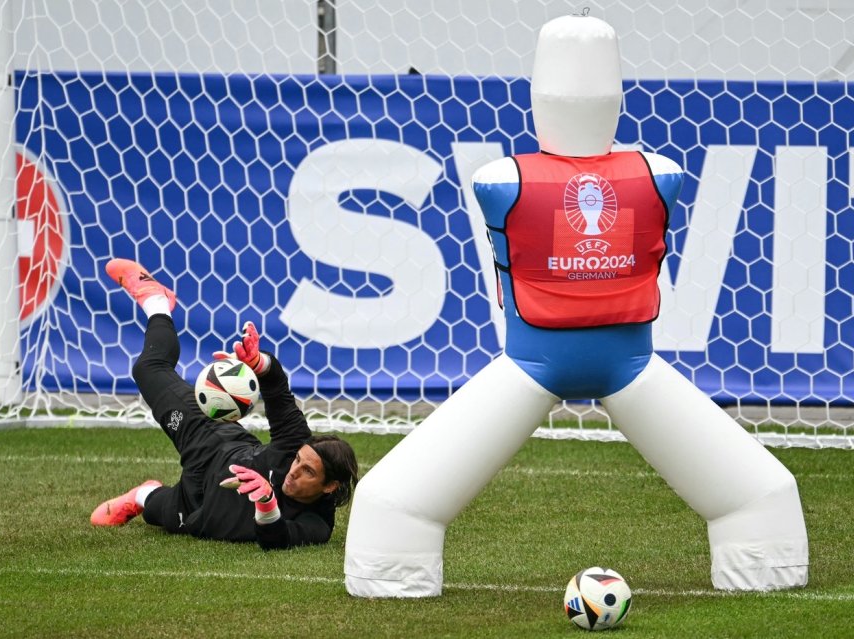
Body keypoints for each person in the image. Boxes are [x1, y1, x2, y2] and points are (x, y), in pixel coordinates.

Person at [344, 14, 808, 597]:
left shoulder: (500, 177)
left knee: (392, 505)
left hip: (544, 361)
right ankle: (765, 564)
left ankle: (390, 575)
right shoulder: (657, 173)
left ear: (538, 92)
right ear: (616, 93)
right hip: (620, 363)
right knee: (761, 496)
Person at [91, 258, 358, 549]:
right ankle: (156, 300)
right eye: (298, 461)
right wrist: (258, 362)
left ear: (329, 486)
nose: (294, 469)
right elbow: (277, 388)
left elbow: (277, 539)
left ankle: (141, 494)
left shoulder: (318, 523)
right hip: (212, 444)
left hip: (196, 510)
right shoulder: (296, 441)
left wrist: (266, 502)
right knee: (148, 368)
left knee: (154, 510)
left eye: (308, 471)